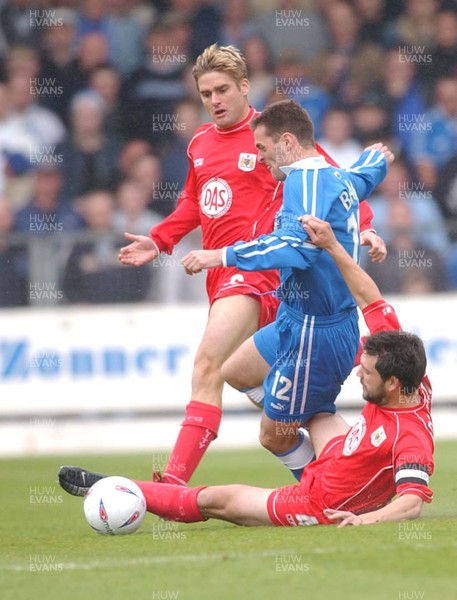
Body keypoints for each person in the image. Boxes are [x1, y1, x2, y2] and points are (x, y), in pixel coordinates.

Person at [117, 44, 386, 487]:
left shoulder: (272, 135)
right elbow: (194, 200)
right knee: (267, 389)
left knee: (207, 366)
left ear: (244, 87)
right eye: (205, 93)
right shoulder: (200, 143)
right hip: (222, 275)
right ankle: (331, 473)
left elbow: (331, 181)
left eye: (223, 89)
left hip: (257, 272)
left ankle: (173, 486)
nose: (215, 100)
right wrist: (160, 238)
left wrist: (367, 229)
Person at [58, 216, 434, 529]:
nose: (358, 375)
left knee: (217, 500)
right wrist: (335, 246)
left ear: (393, 383)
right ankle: (291, 440)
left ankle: (119, 487)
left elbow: (411, 502)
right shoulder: (405, 364)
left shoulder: (411, 436)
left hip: (320, 501)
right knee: (308, 414)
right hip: (343, 456)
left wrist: (365, 521)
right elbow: (369, 296)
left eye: (367, 374)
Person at [181, 101, 391, 480]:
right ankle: (310, 418)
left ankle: (336, 487)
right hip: (294, 320)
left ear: (288, 142)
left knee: (274, 436)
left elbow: (298, 248)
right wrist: (377, 160)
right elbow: (363, 179)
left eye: (262, 149)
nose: (259, 158)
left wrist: (220, 255)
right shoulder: (335, 176)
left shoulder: (302, 181)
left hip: (316, 330)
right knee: (236, 371)